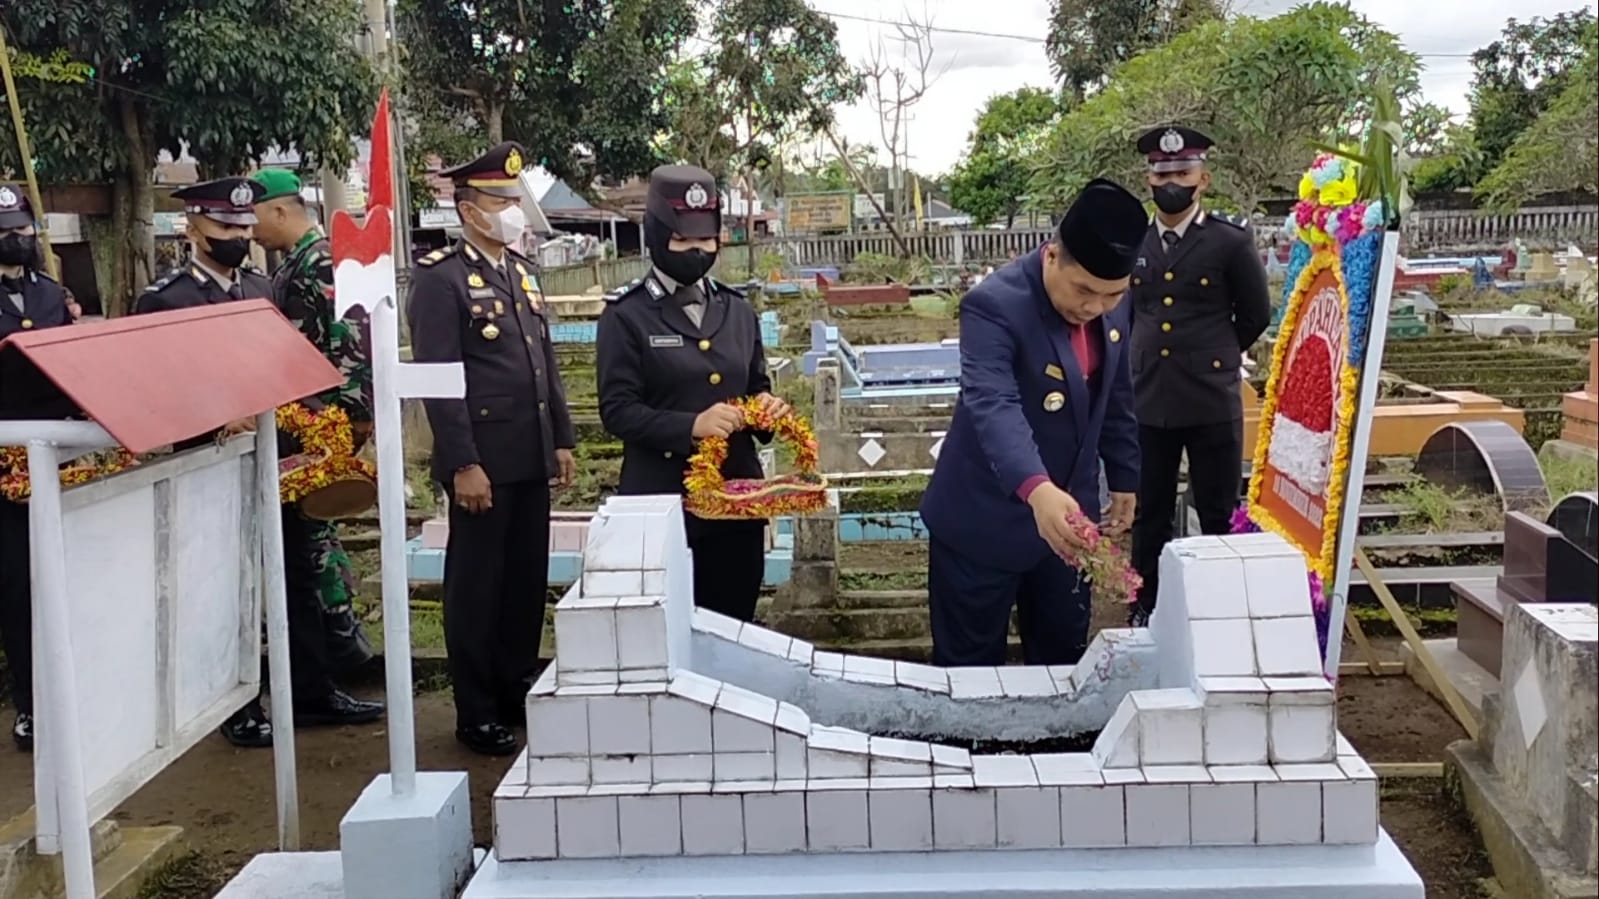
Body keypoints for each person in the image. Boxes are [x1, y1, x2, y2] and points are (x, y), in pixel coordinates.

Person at [133, 176, 384, 747]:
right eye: (225, 228)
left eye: (245, 228)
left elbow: (285, 366)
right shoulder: (166, 299)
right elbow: (154, 390)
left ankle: (312, 693)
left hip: (275, 457)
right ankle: (236, 705)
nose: (238, 237)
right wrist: (213, 418)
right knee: (225, 585)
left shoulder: (260, 288)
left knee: (293, 574)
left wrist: (312, 420)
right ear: (193, 229)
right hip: (208, 465)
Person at [918, 179, 1146, 667]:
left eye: (1111, 296)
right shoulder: (995, 305)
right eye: (1084, 290)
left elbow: (1116, 392)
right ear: (1051, 255)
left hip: (1069, 522)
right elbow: (993, 402)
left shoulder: (1114, 304)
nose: (1094, 308)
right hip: (983, 520)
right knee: (969, 671)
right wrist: (1036, 489)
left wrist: (1124, 474)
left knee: (1063, 662)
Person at [408, 142, 577, 756]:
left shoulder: (521, 273)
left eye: (514, 199)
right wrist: (462, 464)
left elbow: (544, 366)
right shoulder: (441, 282)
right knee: (477, 586)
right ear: (468, 209)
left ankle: (513, 685)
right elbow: (439, 383)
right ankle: (475, 708)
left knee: (525, 581)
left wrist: (561, 438)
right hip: (482, 461)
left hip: (529, 454)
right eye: (499, 201)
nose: (511, 210)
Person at [595, 165, 787, 623]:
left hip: (735, 501)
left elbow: (755, 384)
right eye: (683, 241)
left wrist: (767, 410)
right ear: (658, 238)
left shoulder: (737, 310)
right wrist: (691, 426)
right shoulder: (627, 316)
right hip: (664, 504)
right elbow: (617, 411)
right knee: (667, 633)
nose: (697, 251)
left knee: (734, 624)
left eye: (706, 240)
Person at [1126, 126, 1271, 625]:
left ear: (1203, 178)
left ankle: (1219, 610)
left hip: (1210, 399)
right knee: (1150, 514)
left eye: (1182, 173)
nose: (1171, 182)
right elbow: (1128, 313)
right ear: (1147, 177)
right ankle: (1145, 605)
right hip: (1149, 398)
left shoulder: (1229, 242)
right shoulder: (1135, 242)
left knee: (1217, 510)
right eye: (1161, 173)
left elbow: (1255, 313)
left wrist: (1219, 354)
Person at [250, 169, 377, 673]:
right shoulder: (292, 264)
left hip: (323, 420)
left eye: (256, 217)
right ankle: (337, 642)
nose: (251, 229)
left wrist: (348, 423)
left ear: (281, 211)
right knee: (310, 530)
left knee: (315, 526)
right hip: (300, 417)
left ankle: (342, 642)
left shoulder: (321, 261)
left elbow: (348, 342)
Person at [0, 184, 75, 751]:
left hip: (57, 460)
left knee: (65, 584)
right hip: (3, 466)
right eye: (7, 231)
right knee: (18, 588)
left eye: (23, 229)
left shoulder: (51, 295)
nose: (17, 239)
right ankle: (29, 704)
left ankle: (71, 695)